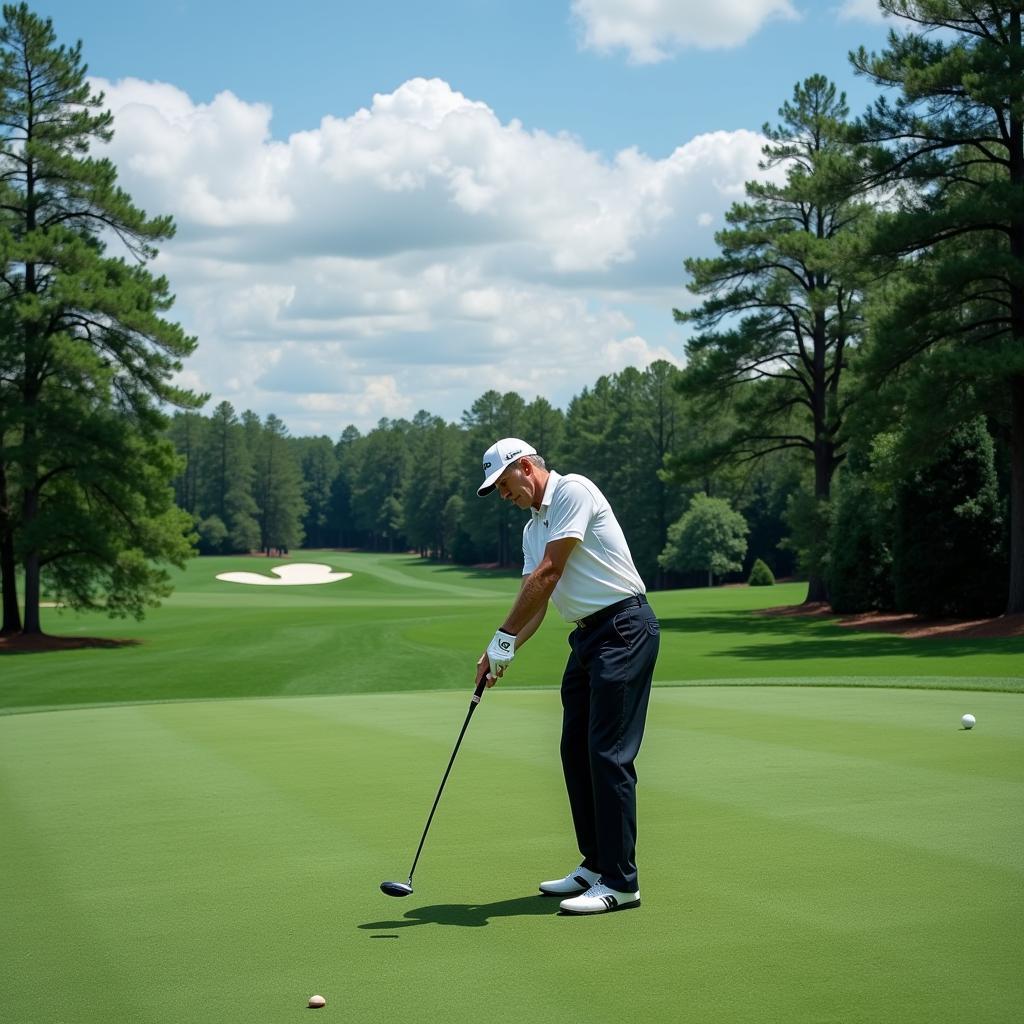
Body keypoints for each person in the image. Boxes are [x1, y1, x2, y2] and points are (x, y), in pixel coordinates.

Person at [475, 437, 659, 915]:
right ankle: (596, 864)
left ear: (525, 467)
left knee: (608, 753)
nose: (502, 495)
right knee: (574, 747)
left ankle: (622, 882)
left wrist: (502, 636)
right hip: (589, 637)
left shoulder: (573, 490)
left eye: (502, 483)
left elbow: (550, 573)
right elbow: (534, 600)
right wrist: (502, 651)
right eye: (494, 489)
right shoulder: (531, 530)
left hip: (623, 626)